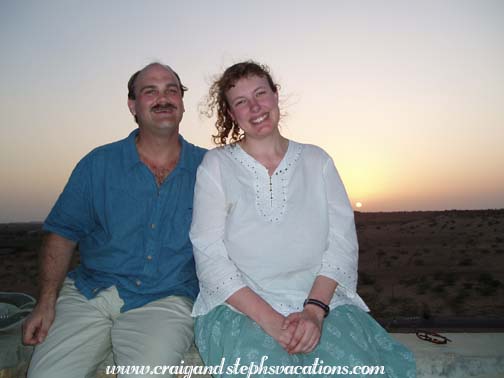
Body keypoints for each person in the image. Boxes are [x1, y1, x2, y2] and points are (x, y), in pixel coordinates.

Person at [190, 61, 416, 377]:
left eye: (260, 94)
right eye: (241, 102)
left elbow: (341, 244)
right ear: (231, 114)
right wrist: (270, 321)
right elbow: (210, 255)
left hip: (322, 307)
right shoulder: (216, 166)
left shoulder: (317, 161)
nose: (255, 107)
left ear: (276, 95)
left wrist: (314, 312)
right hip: (239, 311)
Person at [22, 62, 206, 378]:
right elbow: (62, 234)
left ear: (182, 103)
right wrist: (46, 302)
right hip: (90, 292)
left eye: (171, 91)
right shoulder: (98, 164)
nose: (163, 99)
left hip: (165, 298)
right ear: (133, 105)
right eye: (150, 92)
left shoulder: (209, 169)